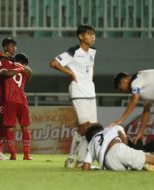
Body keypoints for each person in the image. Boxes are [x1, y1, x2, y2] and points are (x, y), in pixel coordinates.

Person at [50, 24, 97, 168]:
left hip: (90, 92)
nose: (93, 37)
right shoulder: (73, 51)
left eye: (94, 34)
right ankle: (71, 158)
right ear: (81, 36)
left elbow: (91, 68)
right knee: (83, 127)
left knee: (92, 128)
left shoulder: (92, 52)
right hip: (78, 91)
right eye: (89, 34)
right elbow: (54, 63)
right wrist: (70, 73)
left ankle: (81, 161)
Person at [82, 123, 154, 171]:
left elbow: (86, 167)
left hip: (108, 164)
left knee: (131, 169)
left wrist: (94, 167)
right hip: (118, 149)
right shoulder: (111, 127)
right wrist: (125, 146)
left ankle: (144, 167)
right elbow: (124, 137)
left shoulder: (91, 143)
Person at [0, 52, 33, 160]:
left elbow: (3, 75)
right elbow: (28, 78)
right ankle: (26, 155)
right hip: (22, 101)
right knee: (25, 128)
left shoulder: (8, 65)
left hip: (10, 100)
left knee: (10, 128)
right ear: (25, 62)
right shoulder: (27, 71)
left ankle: (13, 155)